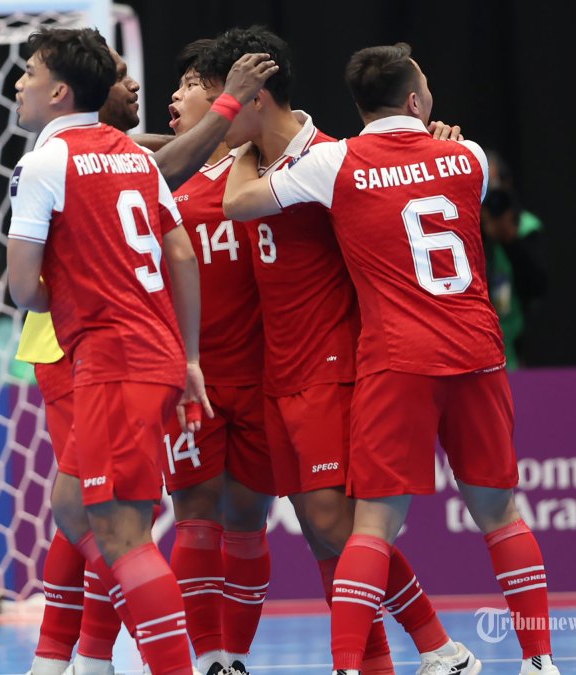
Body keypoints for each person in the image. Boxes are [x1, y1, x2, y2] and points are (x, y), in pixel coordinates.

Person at [223, 42, 558, 675]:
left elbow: (238, 205)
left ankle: (348, 666)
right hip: (475, 354)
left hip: (397, 360)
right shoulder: (468, 156)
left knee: (372, 528)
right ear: (414, 99)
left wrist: (242, 152)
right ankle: (540, 662)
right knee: (502, 519)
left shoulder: (335, 161)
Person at [17, 43, 278, 675]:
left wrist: (72, 291)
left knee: (121, 532)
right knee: (79, 509)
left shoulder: (50, 162)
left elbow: (25, 288)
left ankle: (136, 659)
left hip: (107, 354)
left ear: (61, 90)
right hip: (139, 352)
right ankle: (74, 661)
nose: (135, 86)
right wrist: (188, 357)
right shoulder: (136, 159)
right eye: (119, 76)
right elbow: (180, 248)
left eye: (28, 73)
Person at [159, 37, 274, 675]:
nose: (174, 96)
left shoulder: (270, 164)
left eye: (188, 85)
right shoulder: (165, 175)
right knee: (196, 515)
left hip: (262, 375)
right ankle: (207, 660)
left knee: (249, 519)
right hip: (190, 377)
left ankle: (235, 657)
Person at [479, 151, 547, 369]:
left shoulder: (527, 227)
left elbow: (537, 286)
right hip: (481, 349)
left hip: (521, 349)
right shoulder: (469, 230)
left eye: (494, 184)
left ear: (508, 184)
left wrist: (509, 239)